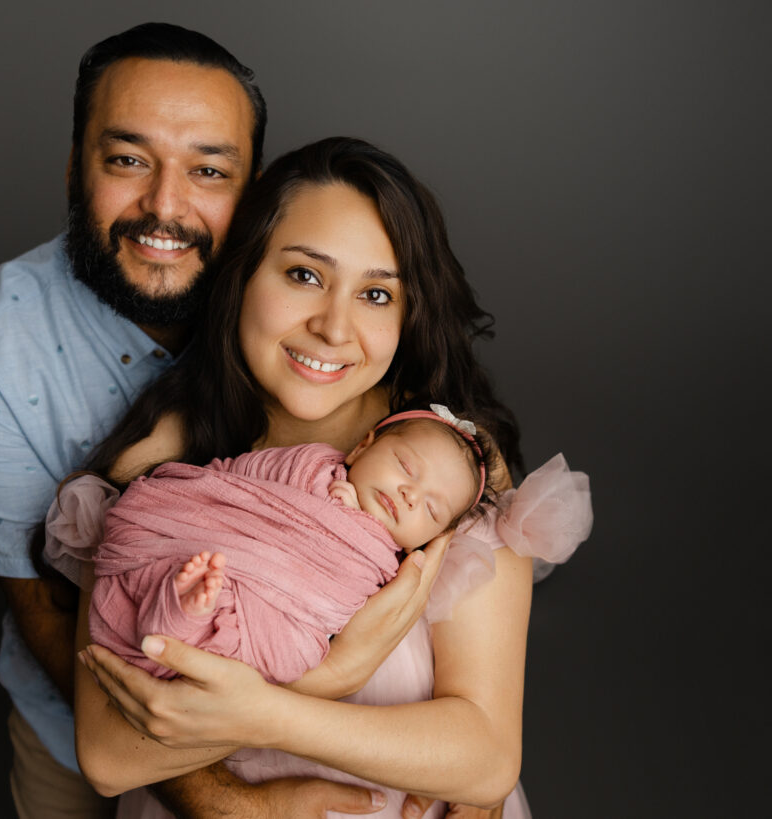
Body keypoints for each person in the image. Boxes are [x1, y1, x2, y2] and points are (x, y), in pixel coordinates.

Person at [57, 137, 586, 818]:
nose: (335, 327)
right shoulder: (164, 467)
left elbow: (484, 756)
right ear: (245, 272)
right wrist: (334, 675)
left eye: (375, 293)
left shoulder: (444, 470)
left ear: (408, 314)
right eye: (304, 275)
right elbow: (105, 755)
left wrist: (274, 711)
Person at [0, 22, 267, 818]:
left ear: (253, 189)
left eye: (209, 170)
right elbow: (44, 608)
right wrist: (222, 802)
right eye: (127, 160)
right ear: (74, 171)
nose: (164, 208)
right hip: (77, 719)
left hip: (302, 718)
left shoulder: (302, 304)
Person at [48, 406, 560, 686]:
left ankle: (180, 618)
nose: (409, 495)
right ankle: (181, 609)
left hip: (290, 607)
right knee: (193, 573)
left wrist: (343, 521)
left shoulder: (389, 564)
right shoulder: (308, 464)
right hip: (209, 541)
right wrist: (320, 496)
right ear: (362, 447)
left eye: (430, 508)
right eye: (406, 467)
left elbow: (339, 612)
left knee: (286, 651)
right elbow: (230, 479)